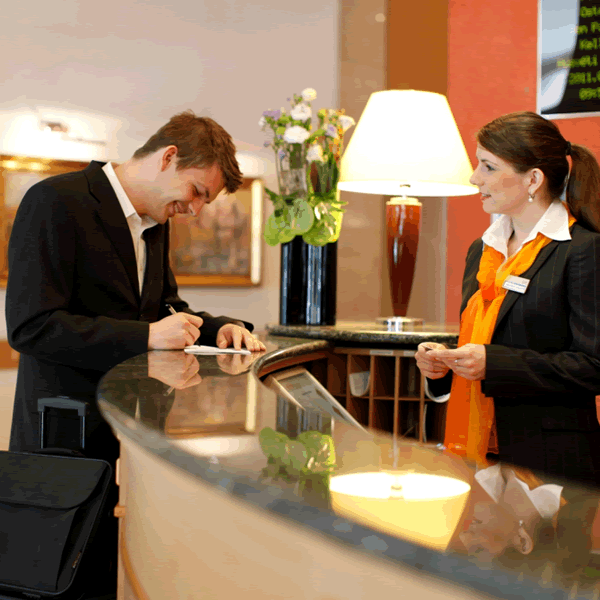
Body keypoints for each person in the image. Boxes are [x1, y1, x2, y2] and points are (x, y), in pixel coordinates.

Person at [6, 110, 266, 462]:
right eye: (196, 192)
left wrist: (219, 329)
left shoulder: (156, 224)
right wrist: (147, 336)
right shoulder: (54, 200)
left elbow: (164, 308)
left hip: (133, 432)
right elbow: (32, 328)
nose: (194, 211)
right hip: (65, 438)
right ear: (168, 157)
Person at [415, 111, 600, 486]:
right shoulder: (482, 249)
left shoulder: (583, 250)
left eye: (488, 166)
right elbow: (491, 337)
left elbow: (593, 365)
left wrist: (493, 364)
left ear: (533, 179)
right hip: (476, 458)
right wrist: (444, 364)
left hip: (552, 467)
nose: (474, 178)